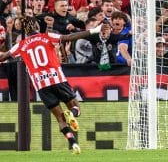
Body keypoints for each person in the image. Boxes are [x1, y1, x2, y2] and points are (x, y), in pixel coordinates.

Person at [0, 16, 108, 154]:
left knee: (59, 118)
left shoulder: (21, 45)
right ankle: (72, 113)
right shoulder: (47, 36)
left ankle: (73, 143)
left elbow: (3, 57)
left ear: (26, 31)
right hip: (56, 79)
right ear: (37, 27)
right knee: (76, 108)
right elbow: (69, 37)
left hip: (41, 84)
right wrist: (95, 30)